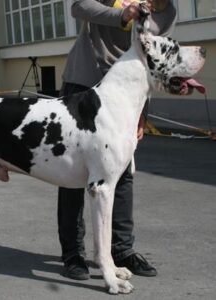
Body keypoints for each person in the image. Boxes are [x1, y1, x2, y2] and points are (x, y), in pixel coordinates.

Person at [58, 0, 177, 280]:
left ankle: (122, 250)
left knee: (122, 172)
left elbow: (152, 55)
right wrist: (121, 13)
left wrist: (142, 111)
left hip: (127, 89)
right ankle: (73, 253)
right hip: (84, 80)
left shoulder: (166, 10)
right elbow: (78, 6)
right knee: (71, 171)